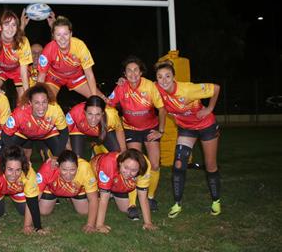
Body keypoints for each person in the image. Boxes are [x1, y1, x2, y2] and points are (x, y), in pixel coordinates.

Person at [154, 60, 222, 218]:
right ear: (156, 79)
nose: (164, 80)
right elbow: (141, 86)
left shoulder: (187, 89)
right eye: (160, 77)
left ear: (174, 77)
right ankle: (177, 204)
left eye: (167, 76)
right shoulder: (157, 89)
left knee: (210, 165)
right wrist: (124, 82)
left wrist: (210, 109)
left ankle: (216, 200)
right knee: (178, 164)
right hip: (186, 128)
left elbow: (216, 88)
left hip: (206, 126)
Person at [107, 56, 166, 219]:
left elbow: (161, 109)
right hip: (131, 129)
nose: (132, 73)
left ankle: (150, 197)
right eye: (128, 70)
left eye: (135, 70)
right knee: (134, 165)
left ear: (141, 72)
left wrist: (160, 130)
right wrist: (115, 125)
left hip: (150, 128)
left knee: (154, 164)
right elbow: (109, 105)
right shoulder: (121, 87)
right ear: (124, 74)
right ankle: (132, 203)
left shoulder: (150, 86)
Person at [36, 16, 105, 99]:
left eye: (66, 34)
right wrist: (37, 97)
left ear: (71, 34)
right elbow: (41, 77)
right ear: (53, 35)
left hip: (76, 77)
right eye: (58, 35)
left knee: (100, 100)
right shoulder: (48, 49)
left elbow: (89, 74)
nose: (62, 39)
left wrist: (94, 98)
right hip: (54, 77)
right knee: (46, 101)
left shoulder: (80, 46)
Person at [0, 145, 46, 234]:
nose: (14, 174)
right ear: (3, 166)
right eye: (10, 169)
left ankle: (13, 196)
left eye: (18, 170)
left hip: (17, 189)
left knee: (25, 210)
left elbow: (32, 202)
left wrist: (38, 227)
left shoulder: (28, 171)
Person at [91, 148, 158, 232]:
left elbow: (143, 196)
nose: (128, 172)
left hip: (118, 179)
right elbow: (104, 198)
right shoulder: (109, 162)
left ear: (139, 169)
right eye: (126, 167)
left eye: (133, 170)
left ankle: (112, 192)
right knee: (85, 210)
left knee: (124, 208)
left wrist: (148, 223)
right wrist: (99, 225)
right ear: (120, 163)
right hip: (97, 175)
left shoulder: (145, 165)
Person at [1, 83, 68, 162]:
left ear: (48, 101)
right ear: (30, 103)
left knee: (62, 158)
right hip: (24, 133)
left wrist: (56, 156)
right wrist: (15, 154)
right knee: (6, 154)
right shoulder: (20, 113)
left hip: (47, 133)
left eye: (44, 102)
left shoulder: (55, 110)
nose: (41, 107)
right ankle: (41, 148)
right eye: (37, 103)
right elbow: (5, 135)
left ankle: (44, 149)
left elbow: (64, 133)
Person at [36, 150, 99, 233]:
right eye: (64, 170)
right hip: (52, 189)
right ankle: (56, 197)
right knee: (43, 211)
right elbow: (34, 198)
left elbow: (93, 198)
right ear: (58, 166)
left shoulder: (85, 167)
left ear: (78, 166)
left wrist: (90, 225)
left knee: (84, 211)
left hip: (76, 190)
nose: (68, 174)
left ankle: (71, 196)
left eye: (73, 170)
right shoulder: (49, 166)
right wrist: (34, 226)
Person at [0, 10, 33, 99]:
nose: (10, 28)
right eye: (6, 24)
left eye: (13, 25)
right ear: (0, 27)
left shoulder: (23, 42)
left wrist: (27, 93)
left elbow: (23, 70)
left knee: (24, 97)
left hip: (18, 69)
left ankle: (21, 111)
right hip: (1, 68)